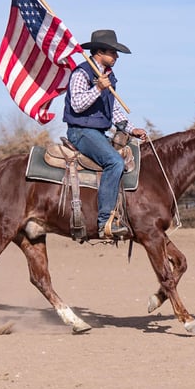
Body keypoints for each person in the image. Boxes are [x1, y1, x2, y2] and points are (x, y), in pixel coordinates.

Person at [63, 29, 148, 239]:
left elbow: (114, 110)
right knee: (114, 162)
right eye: (113, 52)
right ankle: (105, 222)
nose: (116, 56)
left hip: (98, 132)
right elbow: (77, 104)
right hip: (81, 131)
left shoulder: (108, 76)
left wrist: (131, 129)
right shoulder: (82, 73)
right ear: (99, 52)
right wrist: (98, 89)